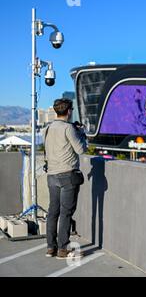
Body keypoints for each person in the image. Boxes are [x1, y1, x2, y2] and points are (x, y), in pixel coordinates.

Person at [43, 98, 87, 259]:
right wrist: (81, 133)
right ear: (69, 111)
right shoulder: (69, 129)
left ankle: (50, 247)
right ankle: (62, 249)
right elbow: (81, 149)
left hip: (52, 175)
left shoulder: (47, 129)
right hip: (67, 176)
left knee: (53, 212)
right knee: (66, 213)